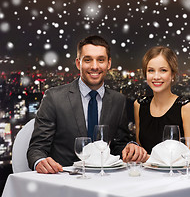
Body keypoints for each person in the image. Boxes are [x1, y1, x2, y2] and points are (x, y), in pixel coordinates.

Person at [27, 35, 147, 174]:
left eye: (100, 60)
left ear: (108, 64)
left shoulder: (118, 100)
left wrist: (129, 147)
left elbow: (118, 145)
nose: (94, 66)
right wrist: (39, 161)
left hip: (106, 180)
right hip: (65, 180)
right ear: (78, 63)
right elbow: (36, 148)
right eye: (88, 60)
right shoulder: (54, 97)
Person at [125, 46, 190, 161]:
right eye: (151, 70)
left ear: (173, 74)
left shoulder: (186, 107)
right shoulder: (139, 105)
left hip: (182, 175)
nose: (156, 76)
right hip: (149, 174)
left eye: (163, 70)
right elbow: (141, 149)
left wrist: (149, 158)